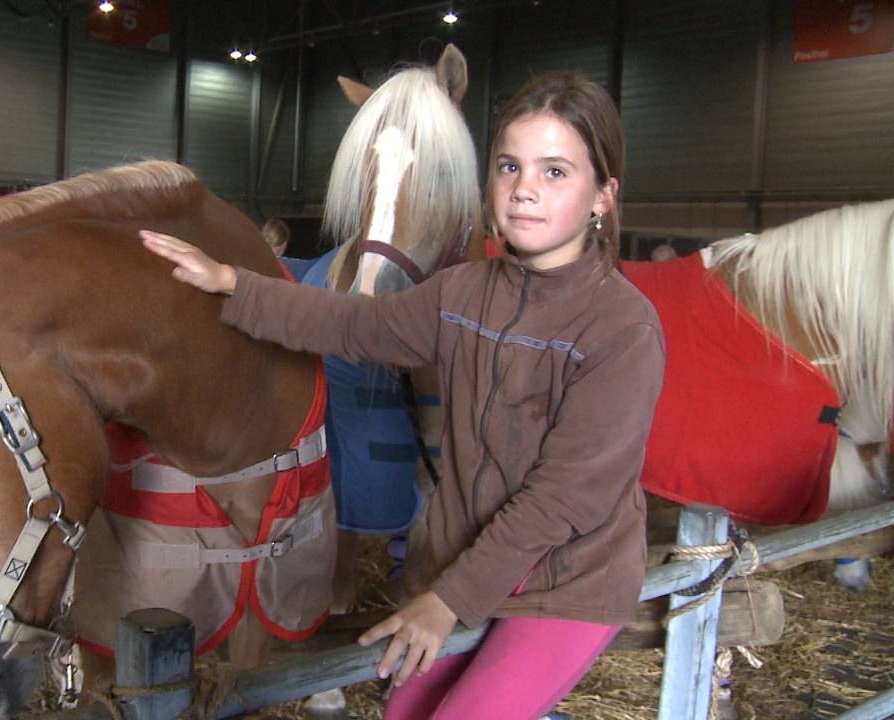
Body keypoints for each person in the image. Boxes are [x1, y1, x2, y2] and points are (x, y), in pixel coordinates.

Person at [140, 71, 664, 720]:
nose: (525, 188)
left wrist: (447, 600)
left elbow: (566, 497)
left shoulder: (622, 327)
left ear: (602, 196)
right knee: (402, 714)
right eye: (509, 166)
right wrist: (233, 284)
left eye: (555, 172)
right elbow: (354, 325)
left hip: (564, 581)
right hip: (465, 561)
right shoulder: (463, 294)